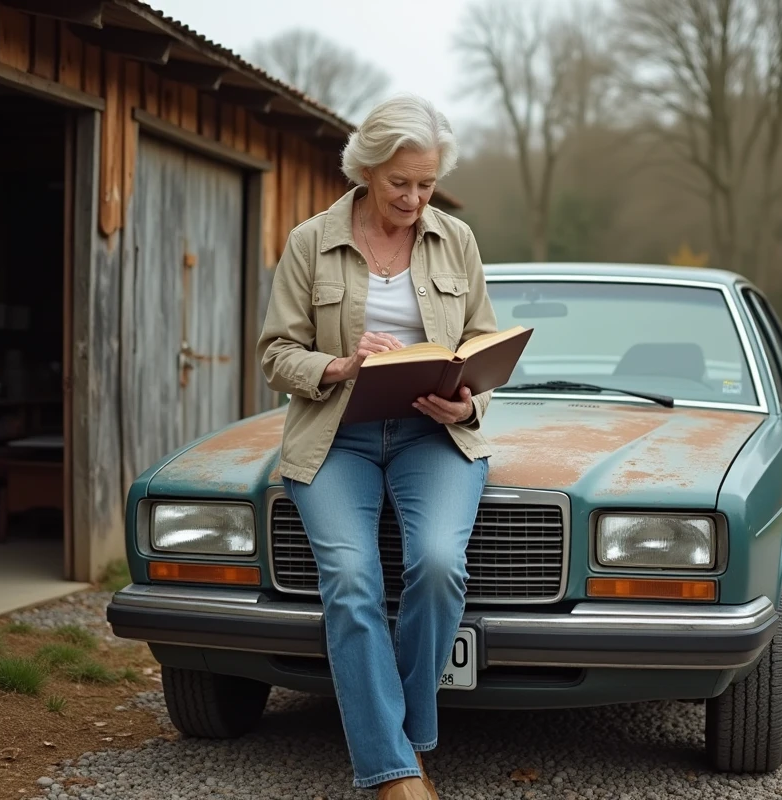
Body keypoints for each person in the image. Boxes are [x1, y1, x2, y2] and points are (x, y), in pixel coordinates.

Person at [256, 94, 497, 800]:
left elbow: (484, 344)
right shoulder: (311, 242)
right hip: (336, 438)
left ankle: (406, 741)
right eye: (400, 183)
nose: (415, 199)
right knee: (352, 579)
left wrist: (469, 401)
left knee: (438, 563)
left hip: (434, 434)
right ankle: (396, 772)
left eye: (427, 184)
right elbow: (275, 355)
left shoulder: (457, 240)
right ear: (366, 170)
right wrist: (340, 365)